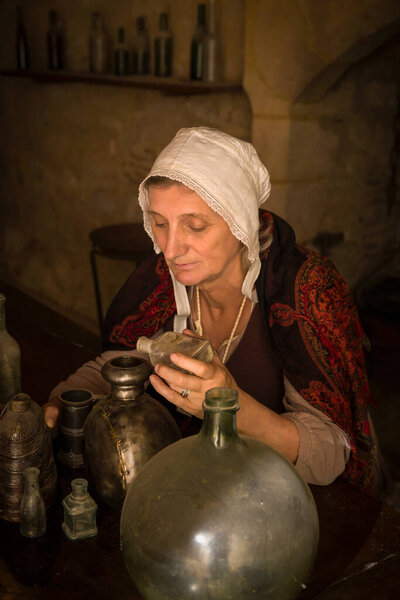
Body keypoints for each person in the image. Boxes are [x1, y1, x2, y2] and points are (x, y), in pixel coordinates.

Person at [44, 127, 380, 494]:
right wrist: (62, 402)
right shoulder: (164, 280)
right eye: (159, 223)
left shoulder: (303, 290)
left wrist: (229, 405)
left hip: (287, 501)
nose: (171, 250)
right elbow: (118, 364)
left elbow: (331, 455)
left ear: (241, 225)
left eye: (196, 225)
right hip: (197, 484)